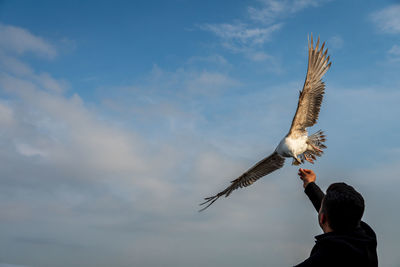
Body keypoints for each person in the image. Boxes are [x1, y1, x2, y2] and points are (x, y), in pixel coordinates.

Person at [295, 168, 378, 267]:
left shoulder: (324, 258)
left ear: (322, 218)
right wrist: (310, 184)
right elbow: (341, 210)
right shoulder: (367, 239)